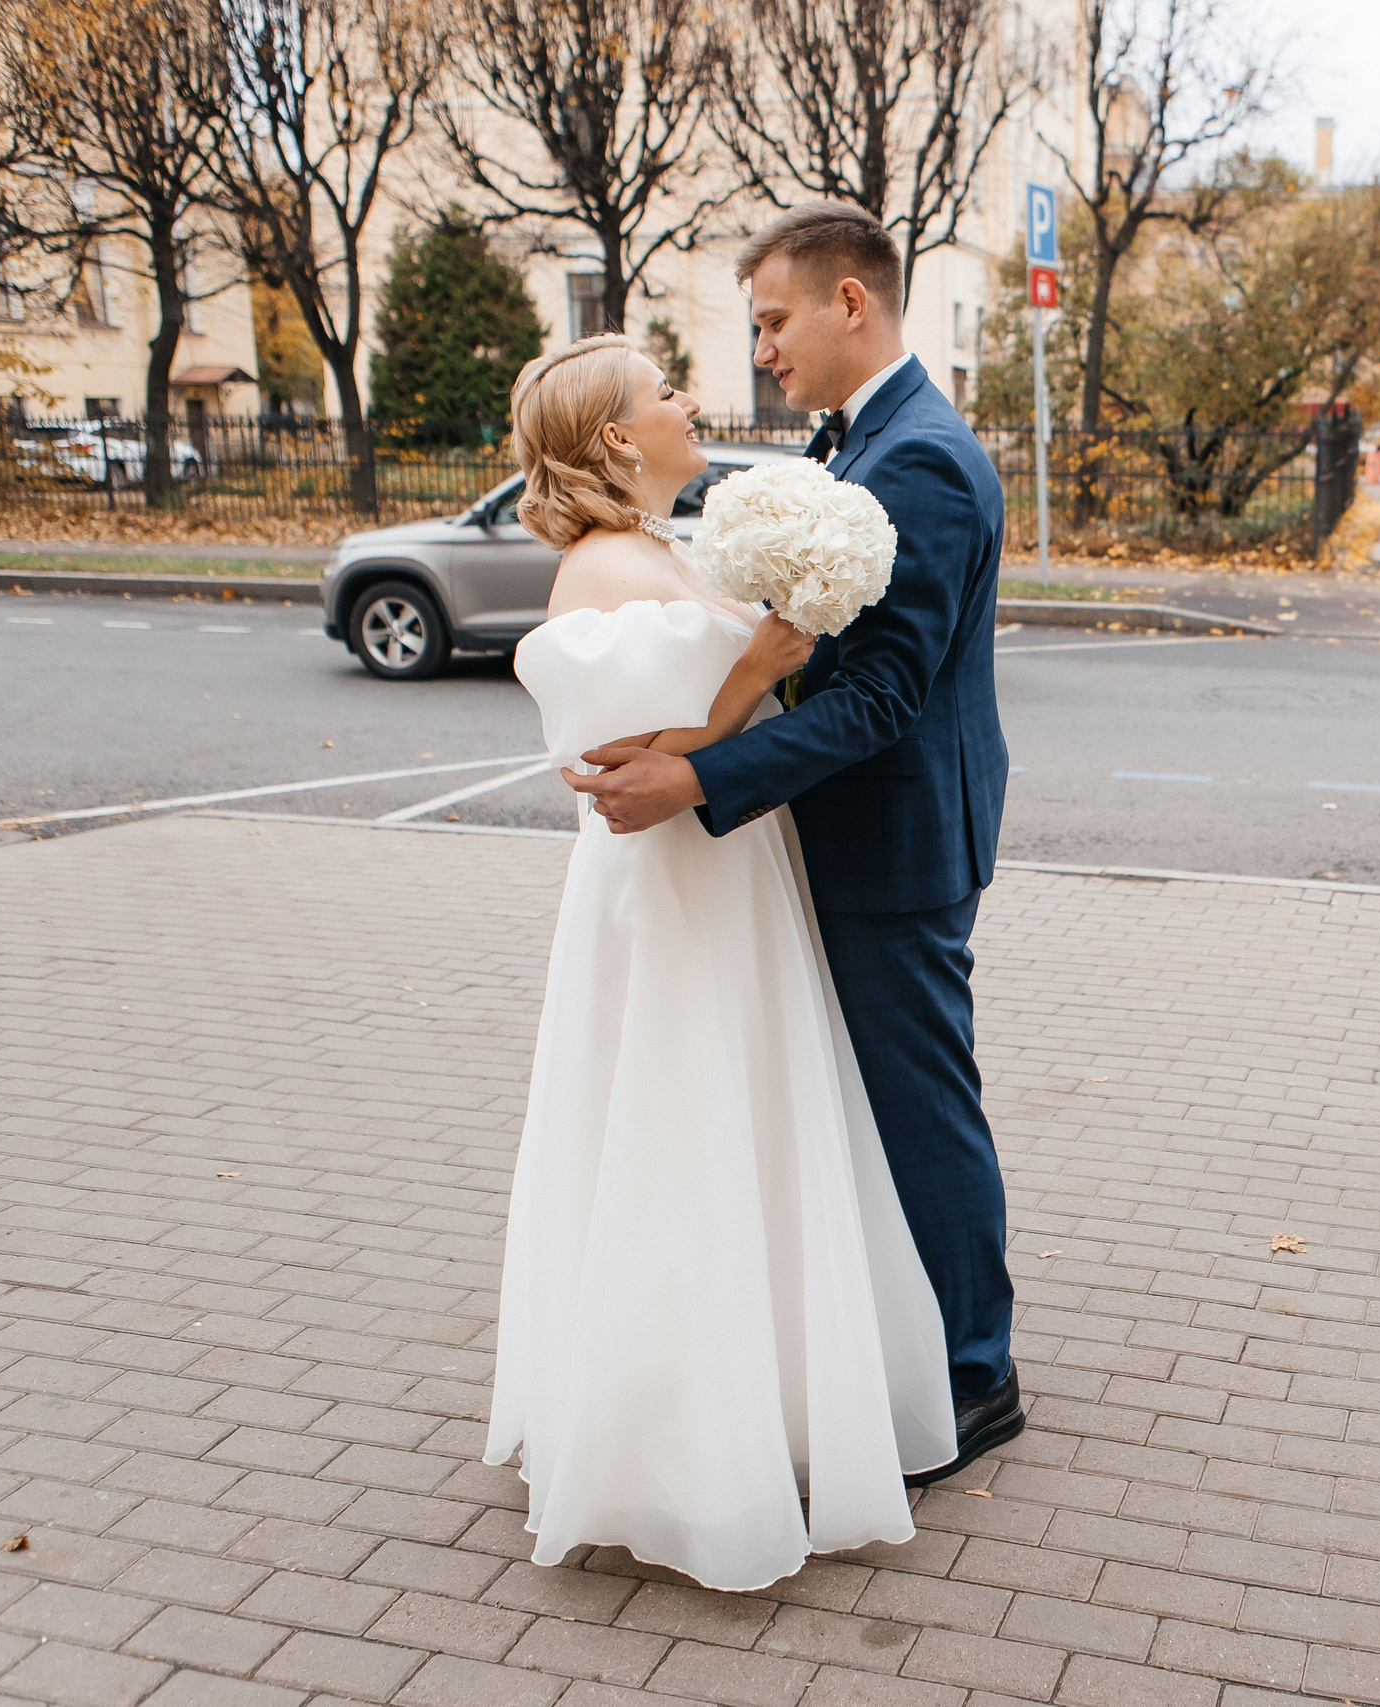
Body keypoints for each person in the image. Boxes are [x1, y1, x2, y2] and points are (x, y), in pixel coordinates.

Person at [485, 333, 955, 1593]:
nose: (691, 401)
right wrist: (758, 660)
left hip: (731, 879)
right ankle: (677, 1448)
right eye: (665, 391)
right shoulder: (598, 571)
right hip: (675, 895)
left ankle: (770, 1398)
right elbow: (625, 766)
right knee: (680, 1131)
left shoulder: (660, 552)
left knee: (742, 1131)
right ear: (621, 438)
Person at [566, 202, 1021, 1485]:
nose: (761, 346)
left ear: (849, 305)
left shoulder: (917, 460)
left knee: (921, 1107)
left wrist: (699, 779)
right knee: (876, 1105)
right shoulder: (857, 444)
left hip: (895, 842)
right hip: (849, 834)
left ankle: (975, 1377)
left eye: (771, 319)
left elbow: (879, 697)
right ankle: (911, 1340)